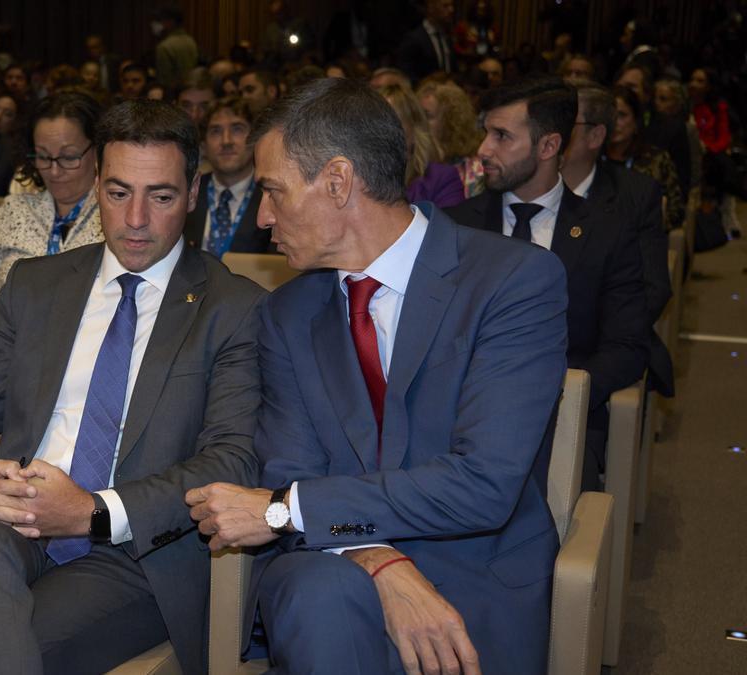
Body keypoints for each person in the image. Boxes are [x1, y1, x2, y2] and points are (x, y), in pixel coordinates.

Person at [186, 77, 567, 675]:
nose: (262, 217)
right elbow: (289, 469)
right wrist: (380, 561)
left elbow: (483, 484)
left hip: (473, 565)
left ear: (337, 181)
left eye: (273, 192)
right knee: (318, 596)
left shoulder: (512, 282)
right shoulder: (287, 314)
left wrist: (287, 510)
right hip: (335, 567)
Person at [0, 97, 265, 675]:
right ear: (97, 183)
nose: (135, 220)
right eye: (118, 192)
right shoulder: (34, 286)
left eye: (160, 196)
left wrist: (90, 512)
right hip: (14, 520)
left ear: (194, 192)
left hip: (137, 553)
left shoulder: (234, 309)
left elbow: (231, 462)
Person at [446, 77, 648, 490]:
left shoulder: (607, 232)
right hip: (456, 416)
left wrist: (557, 396)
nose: (484, 149)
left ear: (548, 147)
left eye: (502, 136)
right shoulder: (455, 226)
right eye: (486, 133)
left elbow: (627, 347)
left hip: (560, 419)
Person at [563, 83, 673, 397]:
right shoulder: (526, 188)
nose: (550, 131)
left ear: (595, 136)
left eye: (564, 122)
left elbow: (654, 287)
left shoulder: (635, 195)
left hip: (600, 348)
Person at [0, 92, 104, 319]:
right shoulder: (15, 210)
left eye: (68, 157)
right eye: (43, 157)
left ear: (98, 151)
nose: (54, 171)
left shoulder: (114, 214)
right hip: (9, 345)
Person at [184, 96, 270, 256]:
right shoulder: (187, 193)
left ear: (255, 139)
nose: (226, 141)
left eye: (237, 129)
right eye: (216, 131)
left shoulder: (272, 196)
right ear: (203, 145)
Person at [606, 86, 685, 230]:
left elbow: (676, 211)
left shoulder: (656, 160)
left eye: (622, 115)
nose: (615, 122)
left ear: (636, 122)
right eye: (610, 115)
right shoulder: (593, 159)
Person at [381, 84, 465, 208]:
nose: (382, 131)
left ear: (415, 130)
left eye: (392, 122)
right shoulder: (355, 179)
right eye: (375, 123)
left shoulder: (441, 179)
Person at [417, 80, 486, 197]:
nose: (419, 124)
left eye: (427, 116)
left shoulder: (474, 170)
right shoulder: (414, 165)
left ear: (451, 122)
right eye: (417, 117)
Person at [396, 0, 456, 81]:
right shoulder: (413, 39)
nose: (451, 10)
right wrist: (429, 81)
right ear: (431, 7)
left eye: (452, 5)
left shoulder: (447, 38)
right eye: (445, 6)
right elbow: (406, 75)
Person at [152, 6, 198, 89]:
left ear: (170, 22)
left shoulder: (165, 46)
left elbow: (164, 81)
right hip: (190, 89)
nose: (159, 24)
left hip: (172, 93)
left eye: (161, 20)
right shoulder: (190, 41)